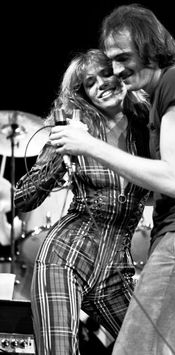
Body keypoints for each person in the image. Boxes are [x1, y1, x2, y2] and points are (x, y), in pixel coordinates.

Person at [49, 4, 175, 355]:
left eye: (123, 57)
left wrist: (89, 145)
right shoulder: (164, 94)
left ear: (150, 45)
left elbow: (172, 177)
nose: (116, 70)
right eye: (110, 59)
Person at [14, 49, 150, 354]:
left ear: (122, 72)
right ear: (84, 95)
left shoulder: (145, 129)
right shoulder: (79, 128)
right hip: (66, 256)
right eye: (90, 82)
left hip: (117, 269)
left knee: (151, 345)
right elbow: (24, 198)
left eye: (106, 73)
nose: (101, 83)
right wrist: (59, 148)